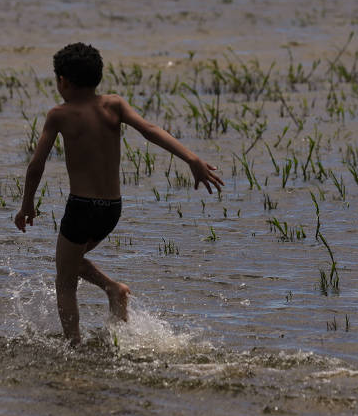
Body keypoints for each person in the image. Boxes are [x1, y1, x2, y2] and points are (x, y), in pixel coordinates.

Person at [15, 43, 224, 345]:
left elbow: (36, 165)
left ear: (63, 81)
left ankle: (74, 345)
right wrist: (191, 158)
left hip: (81, 208)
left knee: (65, 280)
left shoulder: (59, 114)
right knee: (70, 261)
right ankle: (114, 290)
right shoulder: (114, 105)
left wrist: (27, 205)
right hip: (111, 209)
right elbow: (150, 129)